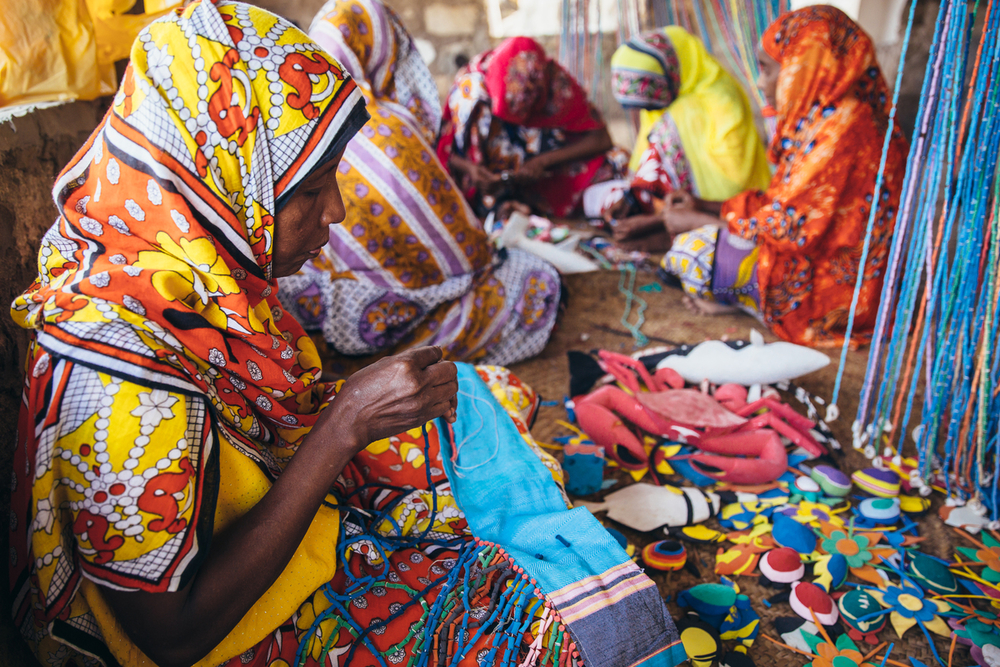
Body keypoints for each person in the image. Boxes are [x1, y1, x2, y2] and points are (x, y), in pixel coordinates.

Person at [8, 3, 684, 667]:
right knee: (563, 633)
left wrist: (348, 418)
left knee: (475, 394)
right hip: (224, 630)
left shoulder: (186, 270)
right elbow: (172, 635)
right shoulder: (115, 370)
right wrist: (343, 427)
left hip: (260, 522)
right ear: (226, 184)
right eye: (311, 189)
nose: (335, 211)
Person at [278, 0, 561, 372]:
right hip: (412, 309)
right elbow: (466, 257)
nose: (336, 210)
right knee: (534, 279)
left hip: (320, 316)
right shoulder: (387, 126)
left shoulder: (295, 126)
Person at [659, 6, 909, 348]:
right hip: (846, 274)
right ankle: (744, 297)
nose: (761, 82)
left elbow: (788, 230)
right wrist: (705, 205)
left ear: (803, 67)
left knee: (695, 252)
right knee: (705, 248)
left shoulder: (840, 128)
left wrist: (698, 219)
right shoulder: (843, 114)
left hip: (840, 296)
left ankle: (749, 302)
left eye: (767, 69)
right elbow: (787, 207)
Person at [602, 26, 771, 252]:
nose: (649, 112)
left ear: (668, 76)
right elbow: (647, 158)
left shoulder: (717, 100)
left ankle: (671, 226)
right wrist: (630, 199)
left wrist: (662, 219)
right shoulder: (670, 99)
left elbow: (734, 185)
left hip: (727, 213)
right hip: (691, 209)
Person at [437, 37, 627, 218]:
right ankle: (500, 207)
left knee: (618, 166)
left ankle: (521, 206)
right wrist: (471, 169)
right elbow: (441, 150)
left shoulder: (555, 83)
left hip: (548, 176)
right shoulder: (470, 92)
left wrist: (542, 162)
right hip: (488, 184)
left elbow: (601, 139)